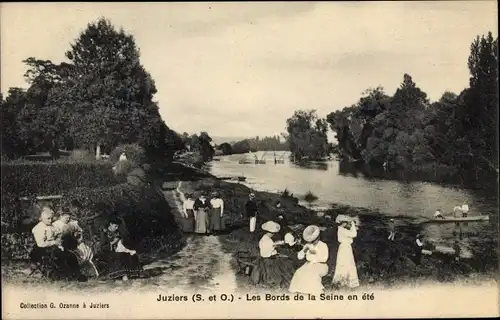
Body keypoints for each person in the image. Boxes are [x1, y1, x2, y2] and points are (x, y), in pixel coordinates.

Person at [30, 206, 86, 281]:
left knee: (71, 255)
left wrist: (59, 238)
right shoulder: (39, 228)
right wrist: (55, 242)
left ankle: (77, 274)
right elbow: (40, 244)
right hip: (44, 249)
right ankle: (67, 275)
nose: (50, 220)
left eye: (51, 218)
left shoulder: (51, 225)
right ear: (42, 218)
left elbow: (58, 233)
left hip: (55, 247)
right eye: (48, 219)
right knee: (60, 257)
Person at [53, 204, 98, 277]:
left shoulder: (72, 223)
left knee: (85, 250)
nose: (68, 218)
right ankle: (75, 270)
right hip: (61, 245)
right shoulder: (55, 225)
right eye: (66, 217)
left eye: (69, 217)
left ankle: (86, 270)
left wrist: (78, 238)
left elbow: (80, 232)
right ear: (61, 216)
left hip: (74, 244)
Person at [250, 221, 295, 288]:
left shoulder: (265, 238)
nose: (273, 234)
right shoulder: (267, 241)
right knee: (285, 265)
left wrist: (277, 244)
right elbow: (270, 249)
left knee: (283, 260)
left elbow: (273, 244)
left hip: (265, 258)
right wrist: (276, 247)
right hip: (269, 260)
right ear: (271, 232)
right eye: (273, 233)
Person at [289, 225, 329, 294]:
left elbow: (324, 259)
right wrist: (304, 250)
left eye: (315, 239)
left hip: (321, 265)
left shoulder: (323, 245)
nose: (313, 241)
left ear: (318, 237)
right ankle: (301, 289)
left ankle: (316, 290)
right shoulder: (308, 245)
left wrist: (315, 252)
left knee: (312, 272)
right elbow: (299, 257)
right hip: (309, 264)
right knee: (299, 271)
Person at [332, 219, 359, 289]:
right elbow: (354, 234)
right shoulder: (342, 230)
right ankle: (344, 281)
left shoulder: (342, 230)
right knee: (347, 263)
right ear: (343, 223)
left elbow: (351, 233)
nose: (347, 224)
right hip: (345, 248)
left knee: (343, 264)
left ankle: (342, 281)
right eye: (346, 222)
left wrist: (352, 227)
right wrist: (353, 224)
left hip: (344, 248)